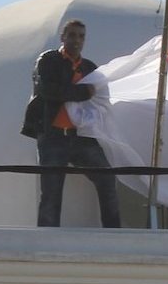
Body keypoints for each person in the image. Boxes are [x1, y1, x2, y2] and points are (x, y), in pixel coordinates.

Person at [21, 19, 121, 227]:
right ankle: (47, 241)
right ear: (62, 37)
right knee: (51, 191)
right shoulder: (48, 61)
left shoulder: (88, 68)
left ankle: (114, 234)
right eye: (72, 35)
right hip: (53, 136)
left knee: (107, 178)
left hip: (81, 137)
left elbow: (100, 99)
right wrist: (83, 92)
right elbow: (48, 90)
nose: (77, 40)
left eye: (81, 36)